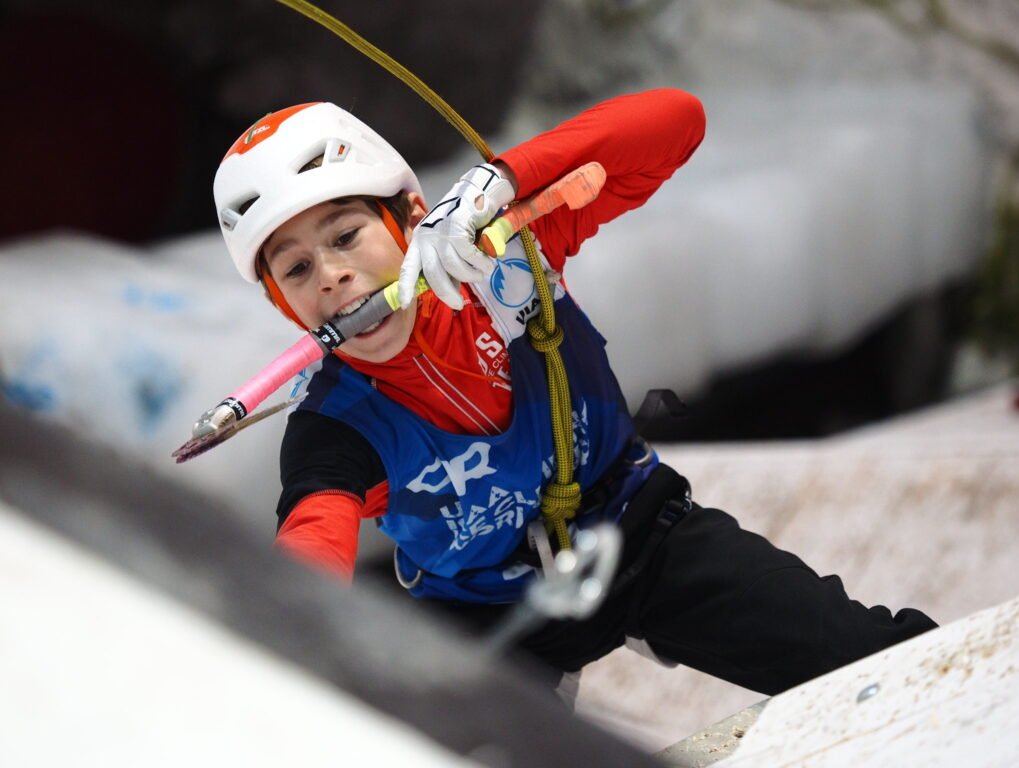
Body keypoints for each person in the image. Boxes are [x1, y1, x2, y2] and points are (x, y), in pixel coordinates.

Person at [212, 89, 936, 697]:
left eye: (344, 235)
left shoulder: (505, 254)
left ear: (408, 217)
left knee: (879, 667)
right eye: (297, 269)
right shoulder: (334, 425)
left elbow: (677, 122)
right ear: (285, 307)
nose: (330, 276)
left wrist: (505, 180)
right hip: (486, 620)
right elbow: (314, 536)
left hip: (642, 535)